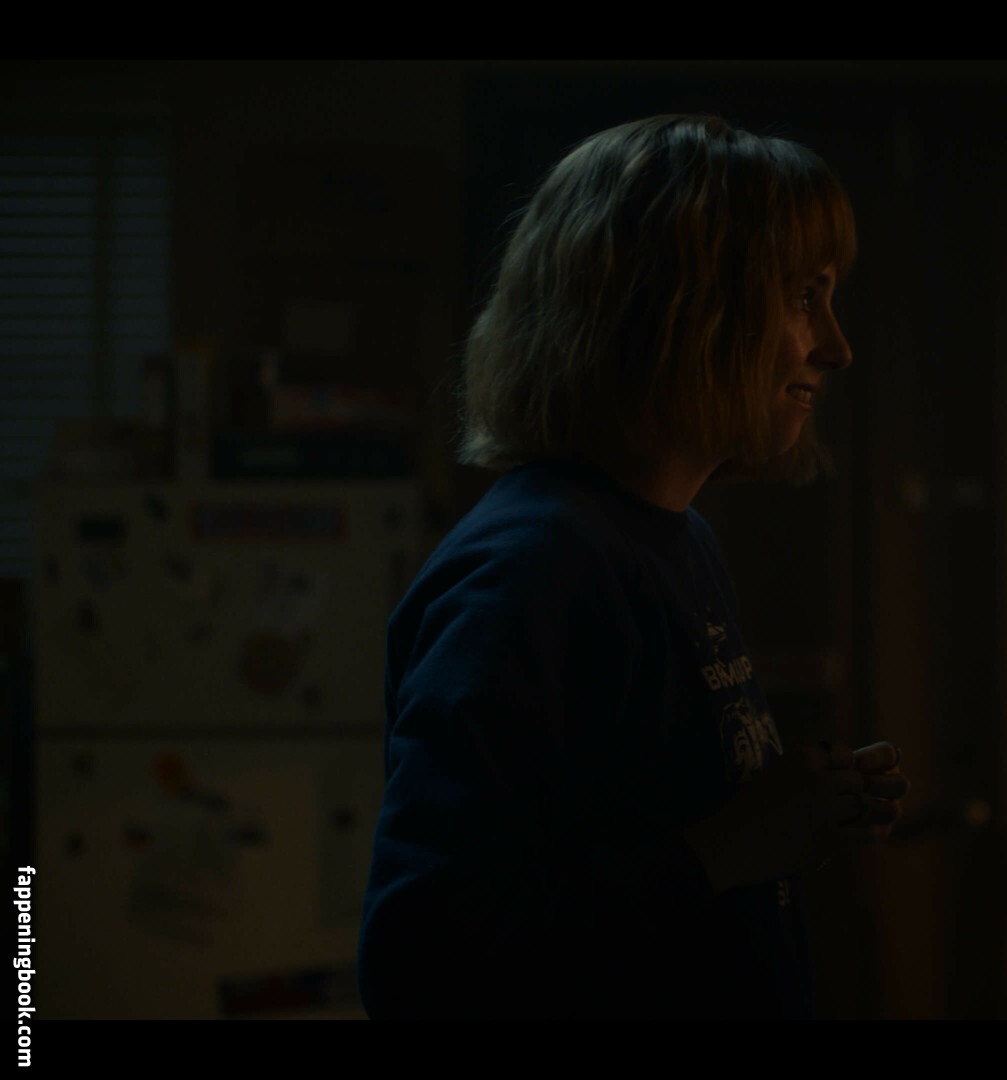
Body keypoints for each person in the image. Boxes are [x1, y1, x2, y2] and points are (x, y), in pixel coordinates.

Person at [358, 115, 909, 1019]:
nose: (836, 345)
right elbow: (422, 963)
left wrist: (799, 811)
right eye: (803, 298)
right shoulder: (526, 575)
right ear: (679, 309)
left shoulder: (672, 538)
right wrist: (730, 846)